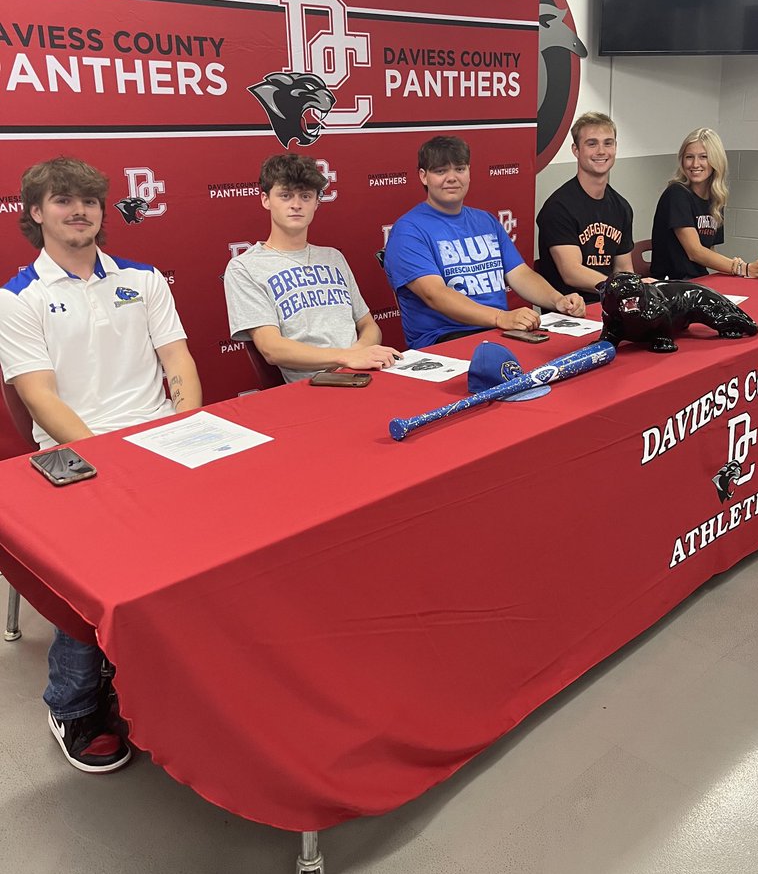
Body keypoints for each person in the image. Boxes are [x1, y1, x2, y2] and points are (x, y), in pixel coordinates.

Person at [0, 156, 202, 773]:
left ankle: (170, 679)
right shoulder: (17, 298)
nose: (78, 210)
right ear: (36, 213)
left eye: (88, 200)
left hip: (162, 440)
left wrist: (188, 429)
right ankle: (75, 704)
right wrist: (111, 461)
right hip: (75, 457)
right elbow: (39, 398)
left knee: (206, 557)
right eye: (62, 201)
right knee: (97, 584)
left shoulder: (142, 279)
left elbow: (181, 364)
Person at [384, 135, 585, 349]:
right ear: (423, 177)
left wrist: (558, 301)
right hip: (445, 342)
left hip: (498, 334)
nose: (452, 178)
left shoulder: (486, 221)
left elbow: (520, 274)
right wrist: (501, 318)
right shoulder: (408, 231)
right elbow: (435, 294)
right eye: (440, 171)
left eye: (460, 169)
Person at [224, 154, 399, 379]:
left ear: (317, 202)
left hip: (364, 373)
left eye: (305, 196)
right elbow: (271, 348)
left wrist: (357, 355)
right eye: (285, 196)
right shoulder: (244, 268)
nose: (296, 205)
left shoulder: (333, 257)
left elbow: (368, 325)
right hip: (315, 387)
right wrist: (345, 358)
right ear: (265, 200)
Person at [536, 112, 636, 303]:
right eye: (592, 144)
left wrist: (632, 288)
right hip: (570, 314)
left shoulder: (622, 207)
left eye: (608, 143)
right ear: (576, 150)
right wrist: (624, 286)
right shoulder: (558, 207)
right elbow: (571, 272)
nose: (601, 151)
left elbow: (623, 268)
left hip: (610, 305)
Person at [650, 128, 758, 281]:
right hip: (673, 284)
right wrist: (743, 268)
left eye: (703, 157)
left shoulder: (716, 199)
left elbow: (709, 251)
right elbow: (695, 252)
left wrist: (739, 267)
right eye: (689, 157)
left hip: (699, 280)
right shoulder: (676, 194)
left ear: (716, 161)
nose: (695, 164)